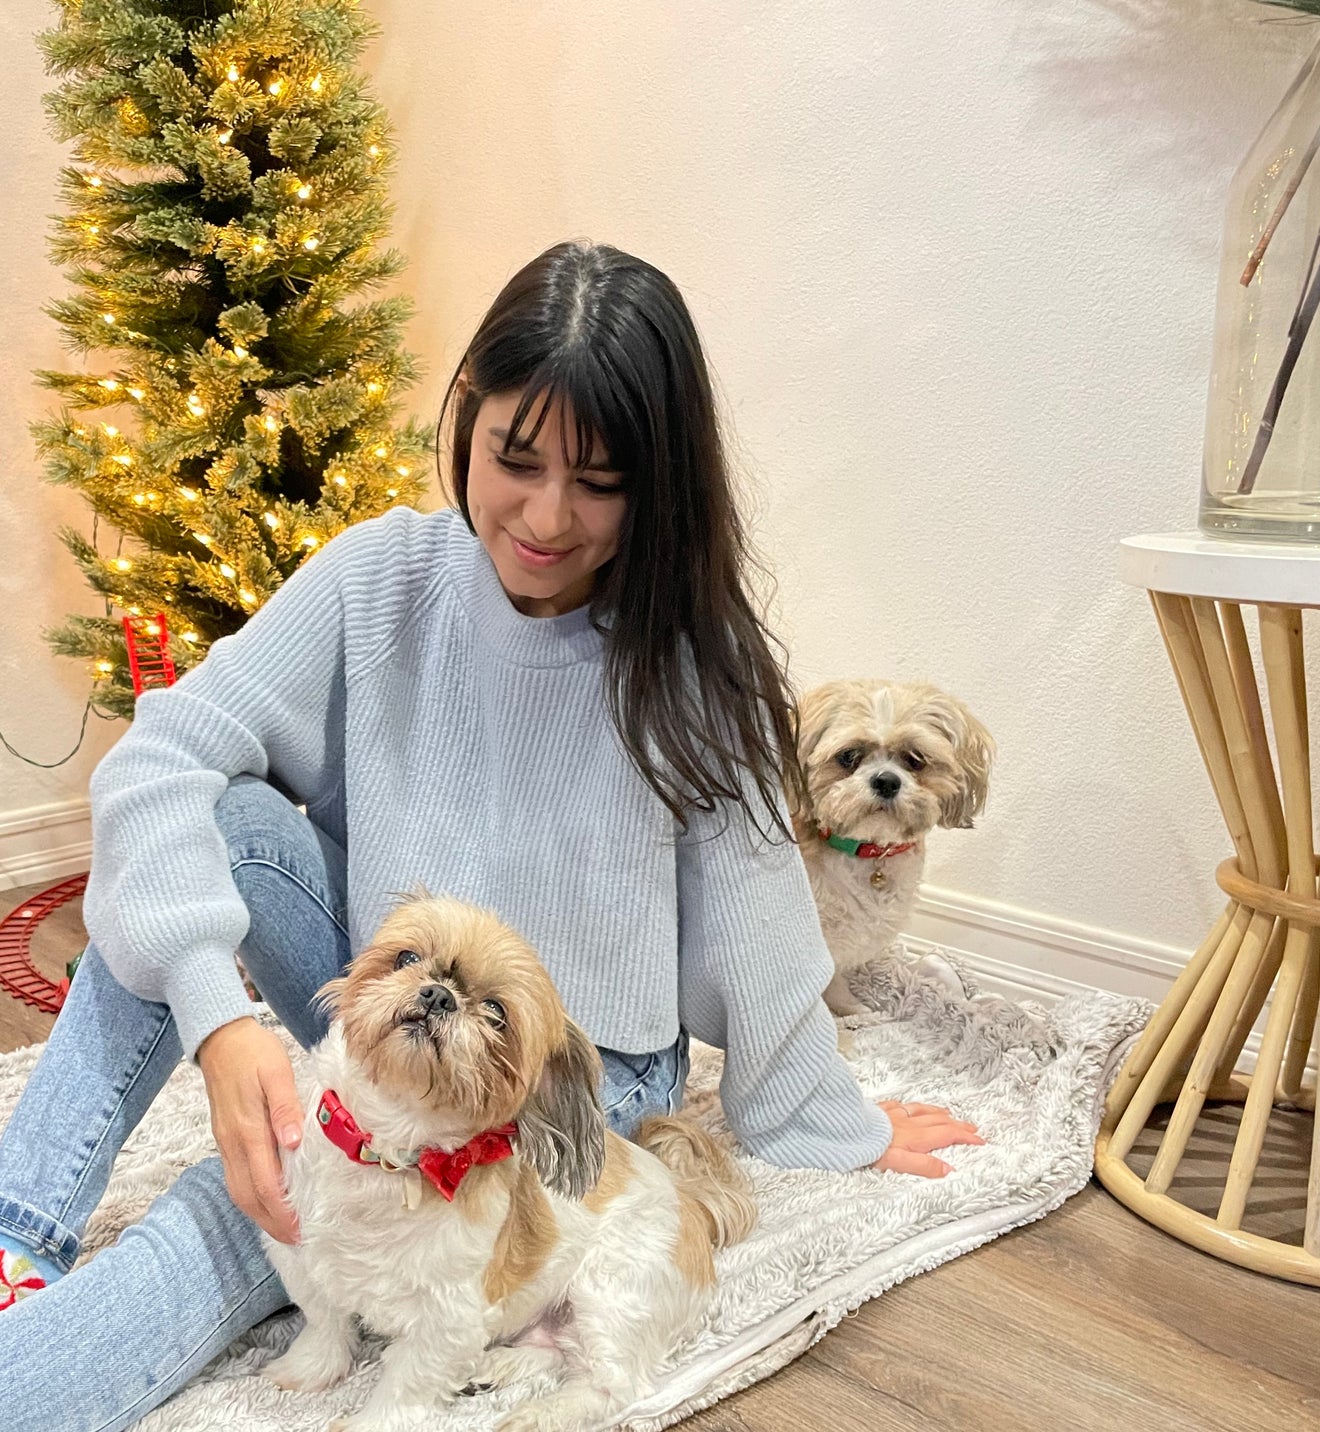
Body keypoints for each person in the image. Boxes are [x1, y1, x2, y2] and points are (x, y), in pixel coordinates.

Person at [0, 240, 980, 1428]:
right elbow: (160, 757)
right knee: (214, 818)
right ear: (466, 417)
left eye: (601, 479)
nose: (545, 516)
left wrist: (839, 1124)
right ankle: (18, 1230)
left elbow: (762, 939)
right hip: (398, 973)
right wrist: (218, 1026)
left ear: (659, 483)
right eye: (514, 459)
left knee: (252, 1201)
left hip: (562, 1076)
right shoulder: (382, 578)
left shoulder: (697, 668)